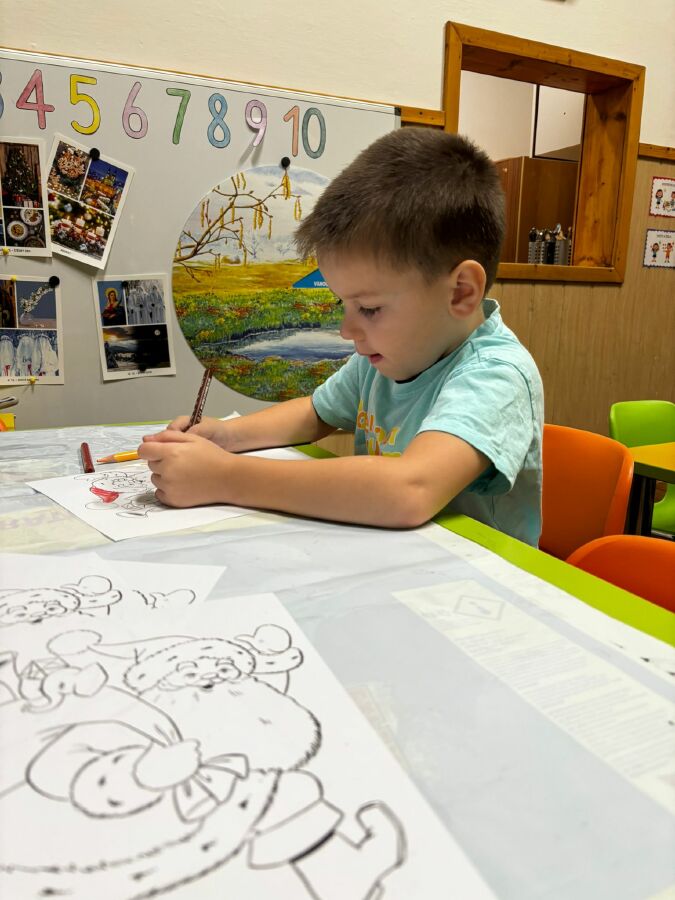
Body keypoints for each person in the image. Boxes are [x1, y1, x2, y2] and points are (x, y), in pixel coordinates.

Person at [139, 128, 544, 544]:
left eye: (368, 308)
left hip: (473, 574)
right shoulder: (385, 360)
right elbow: (316, 413)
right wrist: (225, 436)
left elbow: (409, 491)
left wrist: (226, 477)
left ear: (460, 292)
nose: (347, 331)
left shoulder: (497, 375)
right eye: (342, 304)